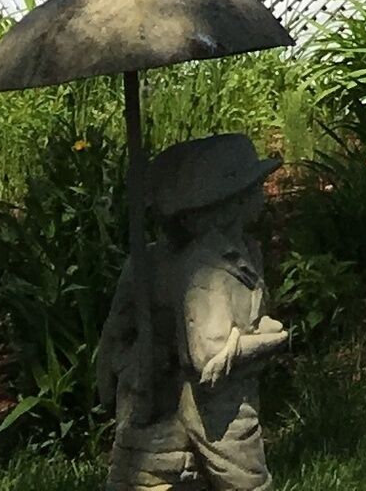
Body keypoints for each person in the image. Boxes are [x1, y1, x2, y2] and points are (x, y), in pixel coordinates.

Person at [94, 132, 291, 491]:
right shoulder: (203, 271)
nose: (261, 194)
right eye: (252, 188)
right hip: (206, 406)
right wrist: (271, 341)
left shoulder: (241, 252)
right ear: (228, 204)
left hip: (218, 399)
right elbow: (207, 358)